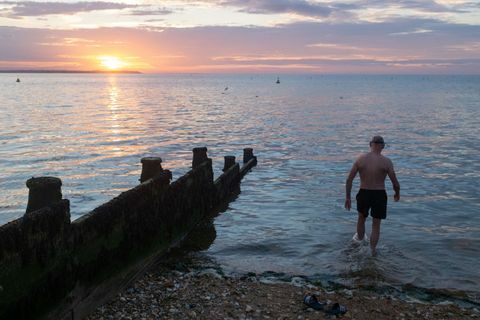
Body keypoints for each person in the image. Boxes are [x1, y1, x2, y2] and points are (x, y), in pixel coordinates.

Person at [345, 136, 400, 256]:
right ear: (383, 146)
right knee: (376, 224)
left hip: (364, 192)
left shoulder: (361, 159)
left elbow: (349, 180)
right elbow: (395, 183)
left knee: (361, 218)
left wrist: (348, 197)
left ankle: (360, 243)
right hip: (379, 194)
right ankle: (372, 250)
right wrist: (397, 193)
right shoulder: (386, 161)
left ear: (370, 144)